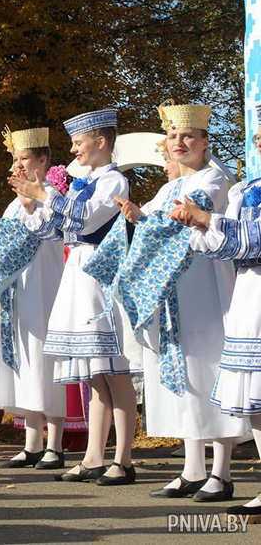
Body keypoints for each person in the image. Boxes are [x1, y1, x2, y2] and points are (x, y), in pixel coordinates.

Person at [100, 103, 247, 501]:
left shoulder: (215, 178)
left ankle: (221, 472)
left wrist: (149, 219)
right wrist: (136, 215)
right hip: (172, 291)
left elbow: (186, 218)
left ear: (205, 141)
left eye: (187, 136)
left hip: (204, 286)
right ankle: (192, 469)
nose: (178, 142)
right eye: (172, 136)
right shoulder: (168, 187)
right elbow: (158, 219)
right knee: (183, 374)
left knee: (207, 369)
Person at [10, 108, 141, 486]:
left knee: (115, 373)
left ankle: (123, 460)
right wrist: (31, 203)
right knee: (96, 376)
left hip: (101, 275)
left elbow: (86, 219)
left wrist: (45, 193)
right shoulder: (84, 181)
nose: (73, 149)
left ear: (101, 141)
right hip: (79, 273)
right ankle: (94, 457)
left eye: (79, 142)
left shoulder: (114, 181)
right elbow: (54, 230)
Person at [0, 127, 67, 470]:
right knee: (26, 362)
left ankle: (56, 444)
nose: (18, 165)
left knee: (46, 362)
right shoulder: (12, 204)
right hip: (19, 292)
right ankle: (32, 443)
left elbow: (31, 236)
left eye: (24, 158)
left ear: (43, 160)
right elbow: (5, 244)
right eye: (15, 159)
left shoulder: (53, 195)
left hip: (45, 288)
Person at [171, 122, 261, 515]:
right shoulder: (246, 189)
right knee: (255, 398)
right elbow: (229, 246)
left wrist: (208, 220)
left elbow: (255, 238)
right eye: (258, 135)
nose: (259, 141)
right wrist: (199, 225)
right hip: (249, 293)